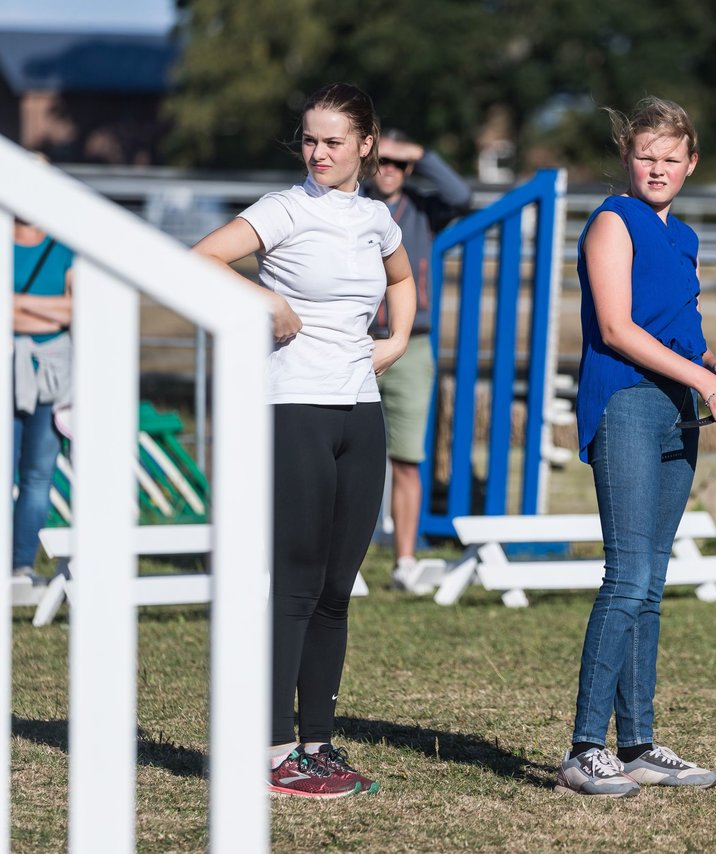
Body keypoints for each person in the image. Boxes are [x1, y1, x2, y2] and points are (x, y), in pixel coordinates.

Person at [193, 83, 415, 799]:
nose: (318, 153)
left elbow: (402, 277)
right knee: (292, 586)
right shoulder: (284, 208)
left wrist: (398, 340)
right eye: (310, 140)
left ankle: (316, 744)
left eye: (332, 141)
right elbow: (200, 259)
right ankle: (270, 751)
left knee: (335, 590)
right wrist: (268, 301)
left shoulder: (377, 217)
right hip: (292, 406)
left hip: (360, 410)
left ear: (365, 145)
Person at [557, 97, 716, 798]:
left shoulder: (685, 237)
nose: (658, 168)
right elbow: (616, 328)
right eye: (647, 156)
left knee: (653, 585)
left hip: (676, 411)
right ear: (626, 159)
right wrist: (702, 379)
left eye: (672, 158)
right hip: (628, 406)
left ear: (691, 163)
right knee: (628, 577)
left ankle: (635, 744)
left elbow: (682, 332)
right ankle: (585, 749)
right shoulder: (614, 220)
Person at [364, 129, 472, 589]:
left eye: (398, 163)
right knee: (342, 454)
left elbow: (461, 194)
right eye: (380, 160)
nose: (388, 170)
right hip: (355, 341)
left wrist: (422, 153)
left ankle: (404, 561)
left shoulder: (424, 210)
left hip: (412, 344)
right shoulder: (352, 202)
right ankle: (336, 560)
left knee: (407, 459)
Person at [12, 211, 74, 584]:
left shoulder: (63, 246)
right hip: (12, 361)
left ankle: (21, 565)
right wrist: (51, 315)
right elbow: (62, 312)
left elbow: (75, 309)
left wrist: (17, 303)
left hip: (52, 374)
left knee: (38, 475)